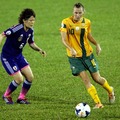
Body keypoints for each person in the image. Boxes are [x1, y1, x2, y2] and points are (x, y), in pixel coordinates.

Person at [60, 3, 115, 109]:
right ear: (73, 12)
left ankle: (110, 90)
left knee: (97, 78)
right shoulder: (65, 22)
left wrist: (97, 44)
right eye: (76, 12)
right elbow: (64, 39)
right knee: (86, 80)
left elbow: (89, 36)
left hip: (88, 55)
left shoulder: (87, 22)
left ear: (83, 12)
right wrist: (71, 49)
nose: (77, 15)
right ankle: (98, 103)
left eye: (80, 13)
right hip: (74, 57)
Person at [0, 8, 46, 104]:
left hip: (18, 56)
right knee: (19, 79)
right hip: (7, 57)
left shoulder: (30, 31)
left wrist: (39, 50)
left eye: (33, 20)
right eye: (30, 20)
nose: (32, 22)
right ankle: (6, 95)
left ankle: (21, 97)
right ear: (24, 20)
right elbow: (3, 34)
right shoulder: (17, 28)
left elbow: (31, 43)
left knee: (30, 77)